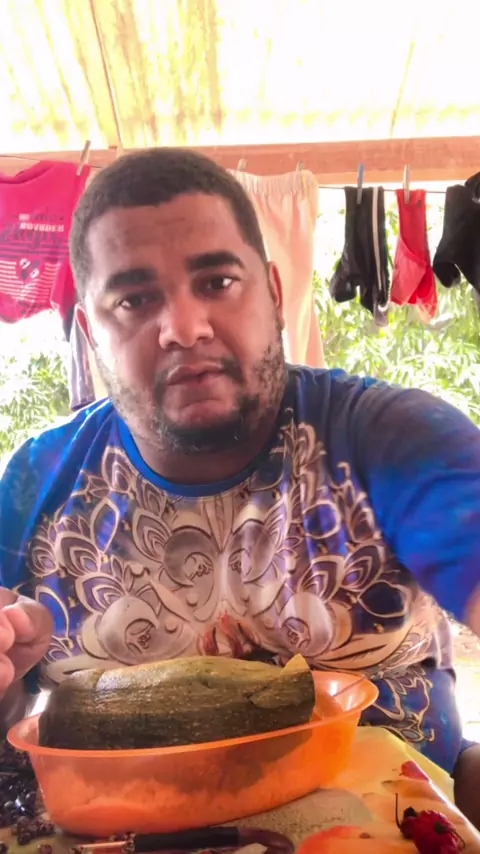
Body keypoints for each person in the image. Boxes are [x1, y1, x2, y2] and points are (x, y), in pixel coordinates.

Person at [1, 148, 480, 823]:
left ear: (276, 295)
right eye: (134, 299)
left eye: (218, 281)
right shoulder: (32, 487)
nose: (184, 329)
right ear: (89, 332)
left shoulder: (391, 438)